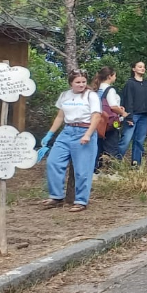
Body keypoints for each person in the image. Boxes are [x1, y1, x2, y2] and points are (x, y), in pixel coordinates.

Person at [41, 70, 102, 212]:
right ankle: (56, 196)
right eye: (78, 82)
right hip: (67, 131)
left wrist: (88, 134)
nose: (81, 85)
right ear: (71, 83)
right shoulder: (65, 95)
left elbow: (96, 116)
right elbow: (60, 117)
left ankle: (81, 201)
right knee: (53, 162)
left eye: (83, 82)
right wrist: (50, 134)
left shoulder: (90, 96)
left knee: (82, 169)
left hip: (84, 130)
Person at [118, 61, 147, 166]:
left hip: (144, 116)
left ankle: (136, 164)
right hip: (133, 116)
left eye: (144, 67)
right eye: (140, 67)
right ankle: (115, 162)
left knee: (139, 141)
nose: (143, 68)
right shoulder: (130, 83)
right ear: (134, 69)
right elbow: (128, 101)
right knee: (126, 140)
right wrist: (129, 117)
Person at [92, 67, 126, 169]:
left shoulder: (95, 89)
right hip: (109, 123)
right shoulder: (110, 89)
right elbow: (113, 106)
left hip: (97, 122)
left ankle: (95, 169)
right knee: (111, 146)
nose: (115, 77)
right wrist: (123, 113)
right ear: (109, 76)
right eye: (114, 75)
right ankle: (110, 169)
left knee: (97, 146)